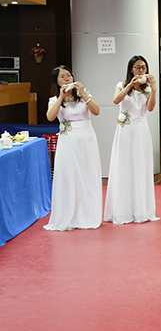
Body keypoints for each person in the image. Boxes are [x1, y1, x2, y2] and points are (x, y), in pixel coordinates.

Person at [44, 66, 102, 231]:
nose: (67, 79)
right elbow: (50, 117)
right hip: (68, 141)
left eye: (69, 75)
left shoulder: (84, 95)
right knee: (69, 176)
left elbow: (96, 111)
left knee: (87, 175)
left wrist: (83, 93)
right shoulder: (54, 100)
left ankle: (88, 214)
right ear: (56, 81)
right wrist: (61, 97)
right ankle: (69, 215)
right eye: (62, 77)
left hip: (87, 140)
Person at [104, 55, 160, 224]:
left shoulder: (147, 89)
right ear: (131, 69)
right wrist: (130, 85)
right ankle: (122, 210)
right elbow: (116, 100)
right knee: (124, 166)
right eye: (137, 67)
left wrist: (154, 88)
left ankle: (141, 209)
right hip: (125, 130)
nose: (141, 70)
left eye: (143, 67)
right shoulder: (121, 85)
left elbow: (150, 108)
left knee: (140, 167)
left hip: (141, 130)